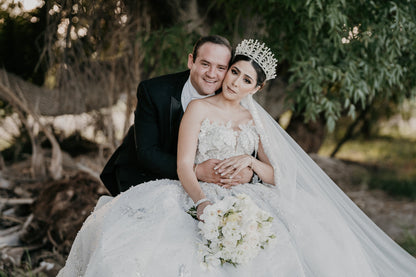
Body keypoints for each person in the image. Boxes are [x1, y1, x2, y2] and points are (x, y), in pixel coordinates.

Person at [58, 39, 416, 276]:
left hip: (246, 192)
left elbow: (277, 172)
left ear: (256, 88)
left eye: (244, 78)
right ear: (193, 62)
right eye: (232, 72)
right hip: (180, 183)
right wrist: (200, 194)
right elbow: (167, 159)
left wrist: (251, 165)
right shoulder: (188, 104)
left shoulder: (254, 119)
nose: (228, 80)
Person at [100, 35, 253, 196]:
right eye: (205, 64)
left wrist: (249, 173)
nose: (212, 74)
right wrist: (197, 170)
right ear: (191, 61)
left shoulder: (233, 96)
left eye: (221, 68)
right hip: (145, 175)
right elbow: (147, 152)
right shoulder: (154, 91)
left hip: (207, 186)